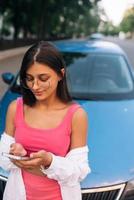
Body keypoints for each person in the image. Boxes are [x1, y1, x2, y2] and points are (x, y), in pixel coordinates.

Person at [0, 41, 90, 200]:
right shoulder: (16, 108)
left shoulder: (76, 115)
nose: (35, 86)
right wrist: (15, 152)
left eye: (43, 78)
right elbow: (3, 159)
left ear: (61, 74)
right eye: (29, 78)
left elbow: (79, 171)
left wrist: (50, 161)